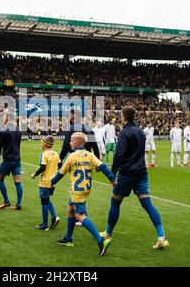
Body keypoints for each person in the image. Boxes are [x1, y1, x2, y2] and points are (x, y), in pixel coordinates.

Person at [103, 106, 169, 250]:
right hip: (141, 173)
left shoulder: (124, 133)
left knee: (115, 202)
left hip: (126, 174)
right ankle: (161, 236)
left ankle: (107, 233)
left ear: (123, 116)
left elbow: (119, 155)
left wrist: (112, 174)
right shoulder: (140, 132)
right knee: (148, 204)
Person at [51, 132, 116, 256]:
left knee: (80, 215)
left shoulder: (71, 156)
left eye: (71, 140)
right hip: (86, 188)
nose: (69, 142)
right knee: (70, 209)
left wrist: (52, 182)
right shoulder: (90, 155)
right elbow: (103, 167)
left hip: (77, 190)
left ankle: (101, 240)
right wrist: (112, 178)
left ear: (77, 142)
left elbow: (61, 173)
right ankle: (68, 238)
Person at [0, 114, 23, 210]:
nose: (4, 119)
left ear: (8, 119)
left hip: (8, 160)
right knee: (17, 182)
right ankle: (18, 204)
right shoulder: (18, 130)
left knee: (0, 179)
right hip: (17, 159)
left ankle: (6, 201)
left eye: (5, 117)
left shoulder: (4, 131)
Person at [31, 135, 61, 231]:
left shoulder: (44, 154)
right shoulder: (56, 154)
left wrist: (34, 174)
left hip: (45, 182)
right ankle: (54, 217)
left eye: (42, 142)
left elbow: (43, 168)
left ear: (44, 144)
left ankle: (44, 225)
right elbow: (60, 165)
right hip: (53, 182)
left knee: (44, 202)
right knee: (47, 199)